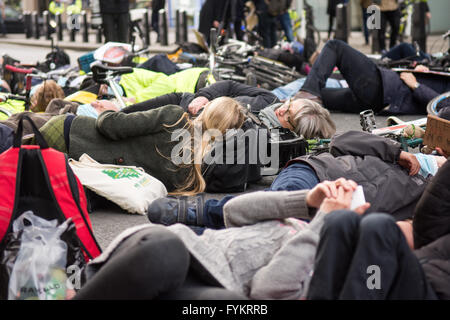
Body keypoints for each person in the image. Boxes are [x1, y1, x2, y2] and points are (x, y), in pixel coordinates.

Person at [73, 178, 370, 300]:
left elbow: (266, 290)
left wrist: (324, 223)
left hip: (207, 290)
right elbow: (233, 210)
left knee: (227, 302)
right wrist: (307, 200)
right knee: (167, 251)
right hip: (175, 254)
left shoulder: (321, 272)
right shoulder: (298, 223)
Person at [148, 130, 446, 230]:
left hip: (337, 217)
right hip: (316, 175)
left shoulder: (430, 206)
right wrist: (395, 151)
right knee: (281, 214)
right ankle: (200, 213)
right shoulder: (403, 157)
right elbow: (342, 139)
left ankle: (200, 227)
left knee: (279, 232)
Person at [34, 96, 247, 195]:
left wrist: (109, 109)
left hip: (71, 134)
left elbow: (109, 126)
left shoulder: (175, 117)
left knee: (16, 129)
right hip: (82, 169)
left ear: (207, 110)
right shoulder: (192, 178)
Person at [307, 158, 450, 300]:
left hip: (437, 286)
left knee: (380, 227)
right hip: (419, 267)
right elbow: (427, 228)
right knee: (341, 220)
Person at [119, 79, 337, 139]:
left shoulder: (267, 140)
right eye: (289, 104)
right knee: (121, 116)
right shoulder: (269, 99)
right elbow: (229, 85)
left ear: (294, 130)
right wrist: (204, 96)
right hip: (183, 102)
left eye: (288, 115)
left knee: (124, 131)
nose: (282, 109)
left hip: (182, 127)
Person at [294, 39, 450, 114]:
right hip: (379, 99)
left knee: (335, 47)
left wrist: (416, 85)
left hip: (385, 90)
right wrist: (425, 68)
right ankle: (286, 103)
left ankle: (307, 92)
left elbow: (443, 108)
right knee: (319, 98)